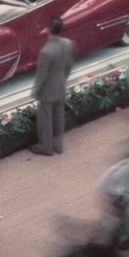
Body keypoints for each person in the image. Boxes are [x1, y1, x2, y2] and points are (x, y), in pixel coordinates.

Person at [31, 17, 73, 156]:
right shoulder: (67, 44)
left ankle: (46, 147)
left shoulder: (46, 51)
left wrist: (35, 91)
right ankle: (58, 144)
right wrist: (63, 79)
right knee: (59, 117)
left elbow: (41, 75)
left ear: (48, 29)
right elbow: (68, 66)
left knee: (45, 119)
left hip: (47, 91)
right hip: (60, 86)